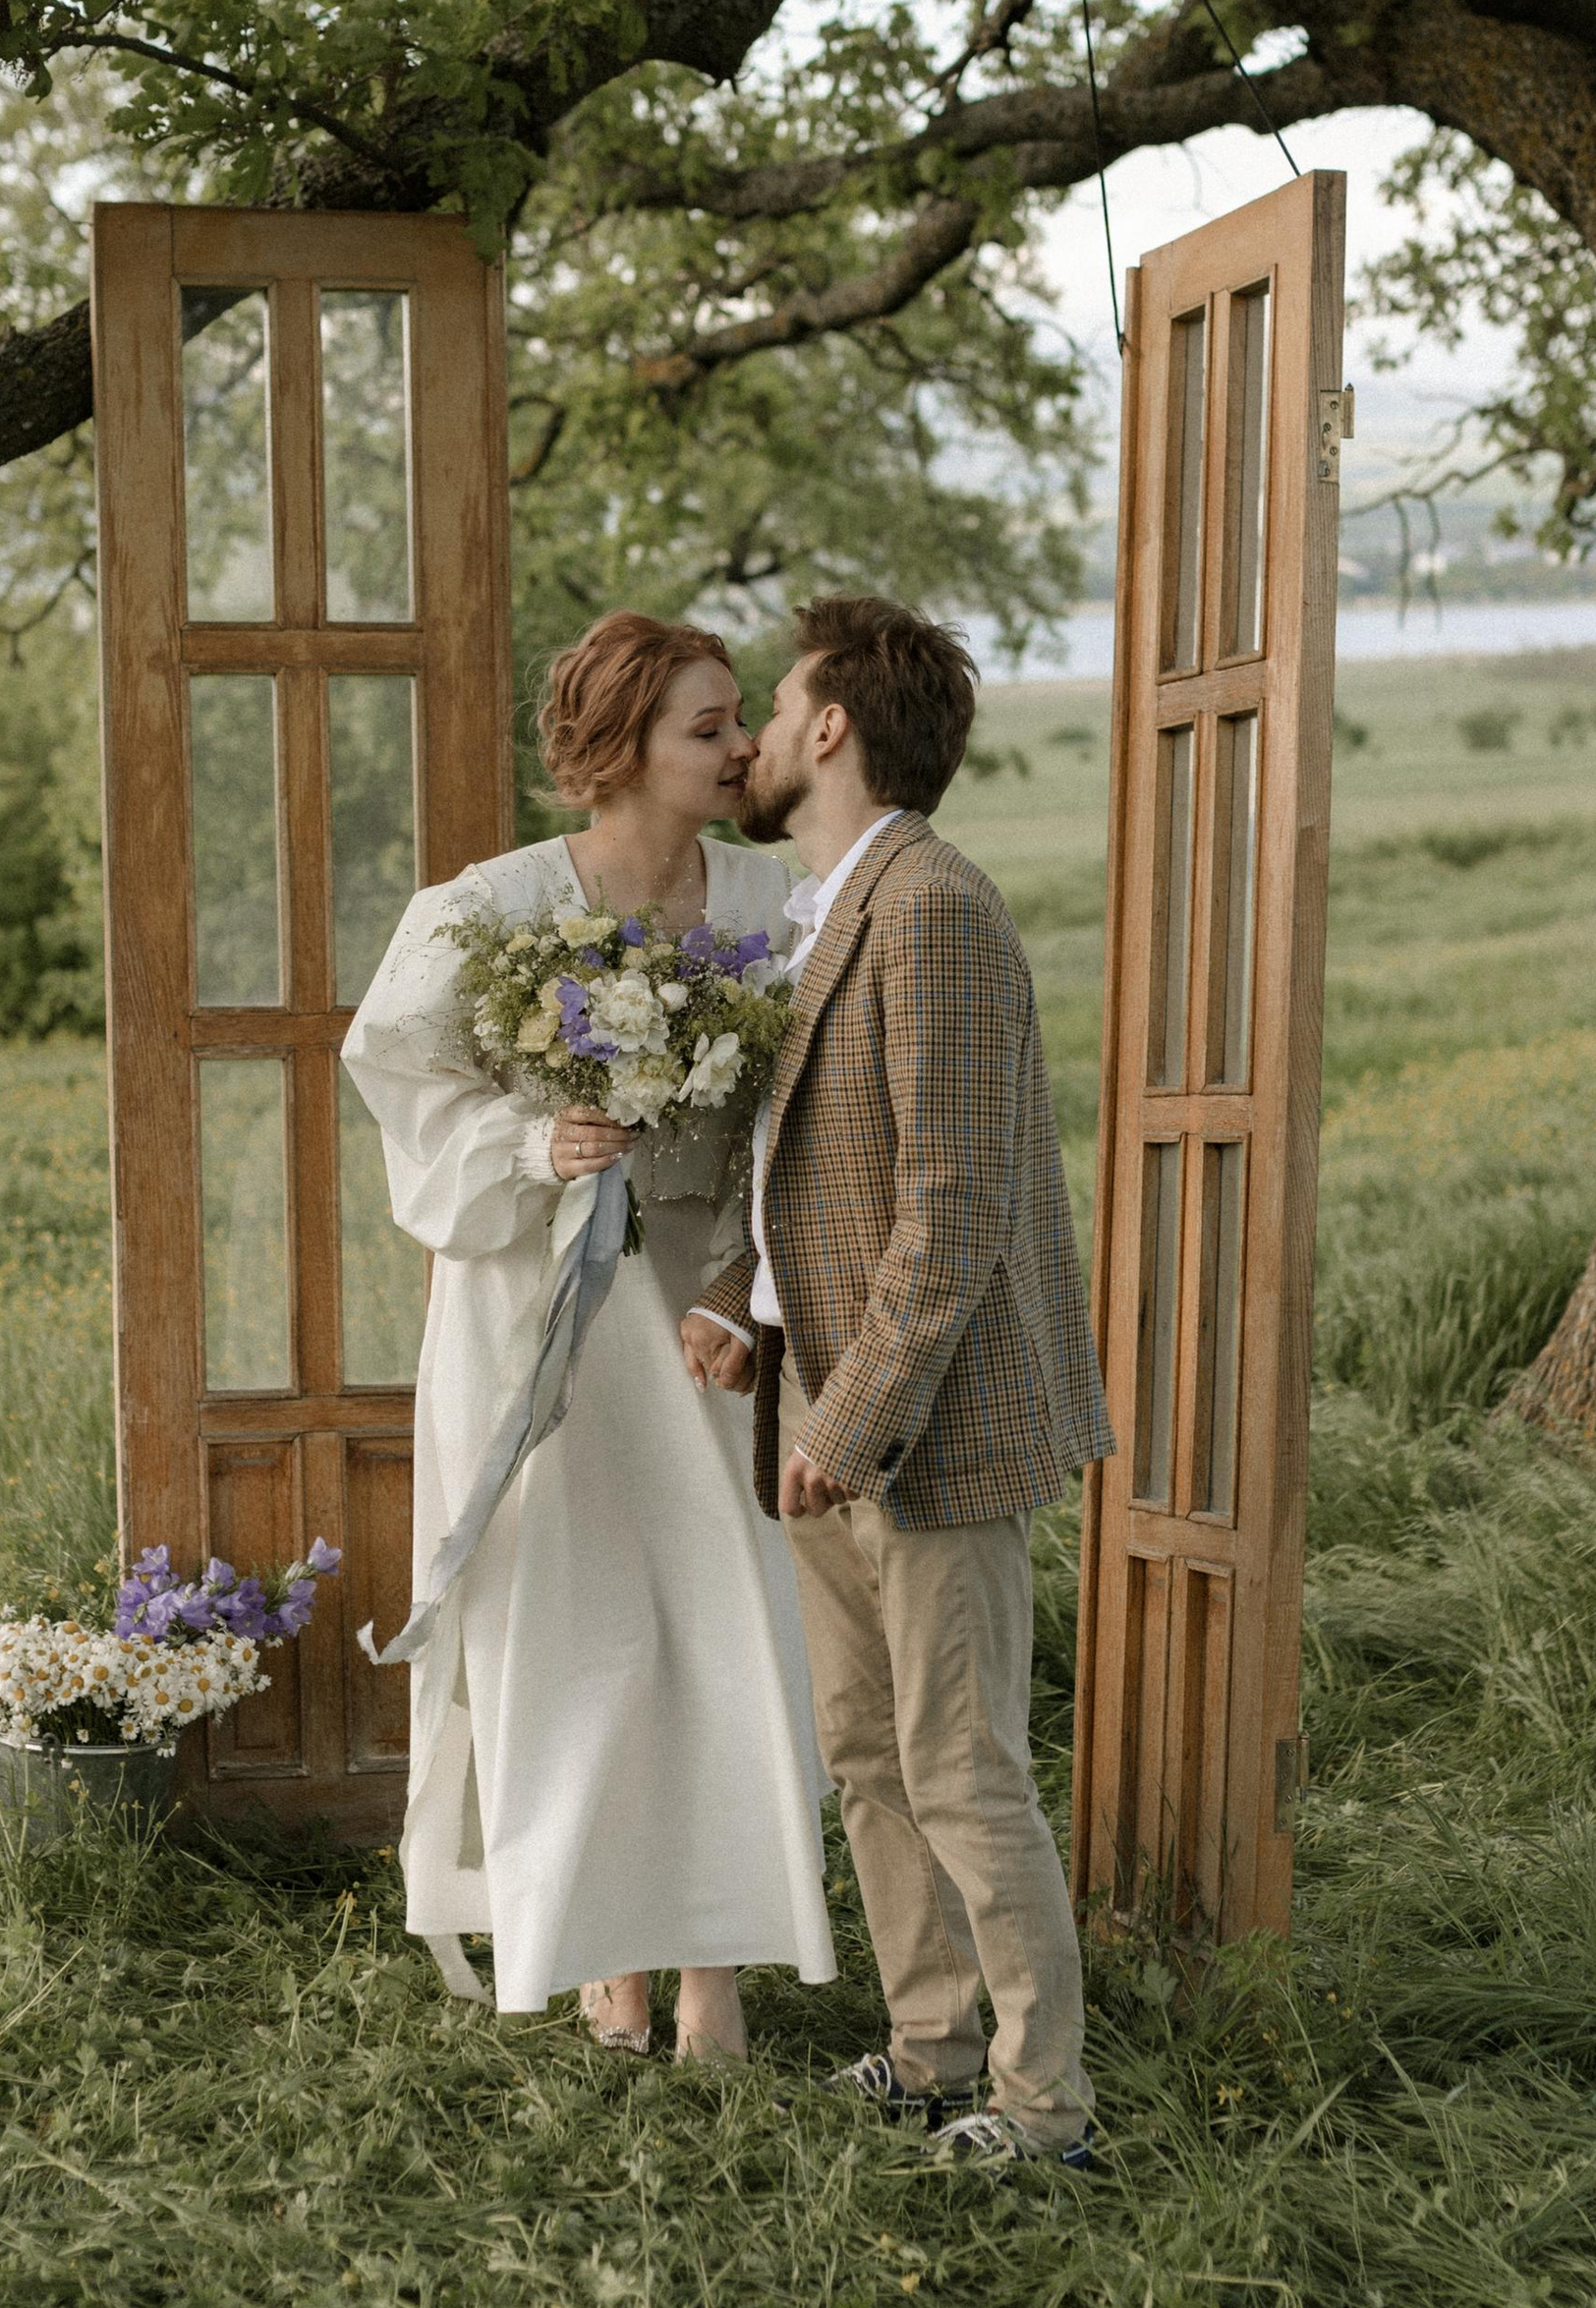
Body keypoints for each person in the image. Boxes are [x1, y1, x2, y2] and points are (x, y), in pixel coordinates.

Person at [340, 612, 835, 2057]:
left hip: (703, 1318)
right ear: (617, 751)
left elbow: (802, 1124)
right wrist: (529, 1140)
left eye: (742, 716)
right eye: (707, 724)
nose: (743, 744)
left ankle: (718, 1963)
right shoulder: (482, 910)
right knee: (572, 1628)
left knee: (722, 1622)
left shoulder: (770, 897)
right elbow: (400, 1086)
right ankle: (600, 1943)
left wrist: (742, 1288)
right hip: (532, 1321)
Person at [706, 595, 1113, 2169]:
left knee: (961, 1767)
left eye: (775, 702)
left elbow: (954, 1205)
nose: (746, 735)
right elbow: (806, 1176)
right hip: (818, 1395)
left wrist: (856, 1420)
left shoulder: (931, 904)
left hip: (927, 1421)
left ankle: (1045, 2108)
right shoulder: (822, 909)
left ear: (832, 728)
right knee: (868, 1754)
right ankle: (933, 2046)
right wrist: (746, 1315)